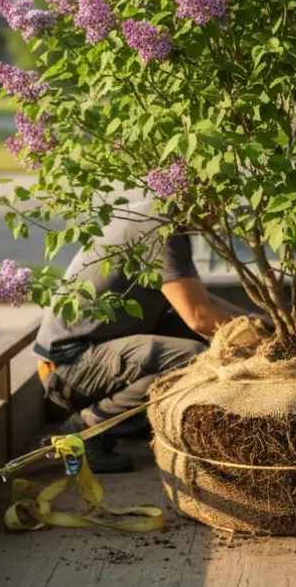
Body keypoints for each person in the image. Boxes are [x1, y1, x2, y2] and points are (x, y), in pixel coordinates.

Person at [35, 200, 251, 472]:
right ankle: (84, 430)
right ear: (196, 194)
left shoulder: (156, 217)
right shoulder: (159, 231)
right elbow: (200, 318)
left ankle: (123, 424)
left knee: (203, 340)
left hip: (96, 350)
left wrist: (257, 323)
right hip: (70, 366)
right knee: (194, 358)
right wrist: (259, 343)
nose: (219, 214)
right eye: (218, 201)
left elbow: (200, 298)